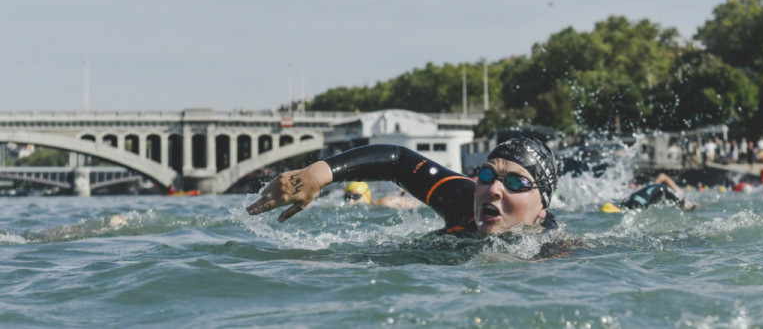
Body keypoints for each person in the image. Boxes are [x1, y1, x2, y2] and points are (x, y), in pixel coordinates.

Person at [246, 137, 559, 237]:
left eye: (516, 183)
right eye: (488, 176)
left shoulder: (554, 253)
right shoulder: (462, 198)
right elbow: (398, 160)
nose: (493, 189)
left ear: (542, 209)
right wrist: (317, 174)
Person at [601, 173, 697, 213]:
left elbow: (662, 177)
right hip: (639, 204)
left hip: (633, 198)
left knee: (620, 205)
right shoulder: (668, 191)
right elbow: (663, 177)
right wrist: (682, 201)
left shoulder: (652, 188)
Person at [343, 181, 423, 209]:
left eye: (355, 196)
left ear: (366, 195)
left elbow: (418, 202)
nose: (350, 201)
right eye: (347, 197)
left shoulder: (385, 202)